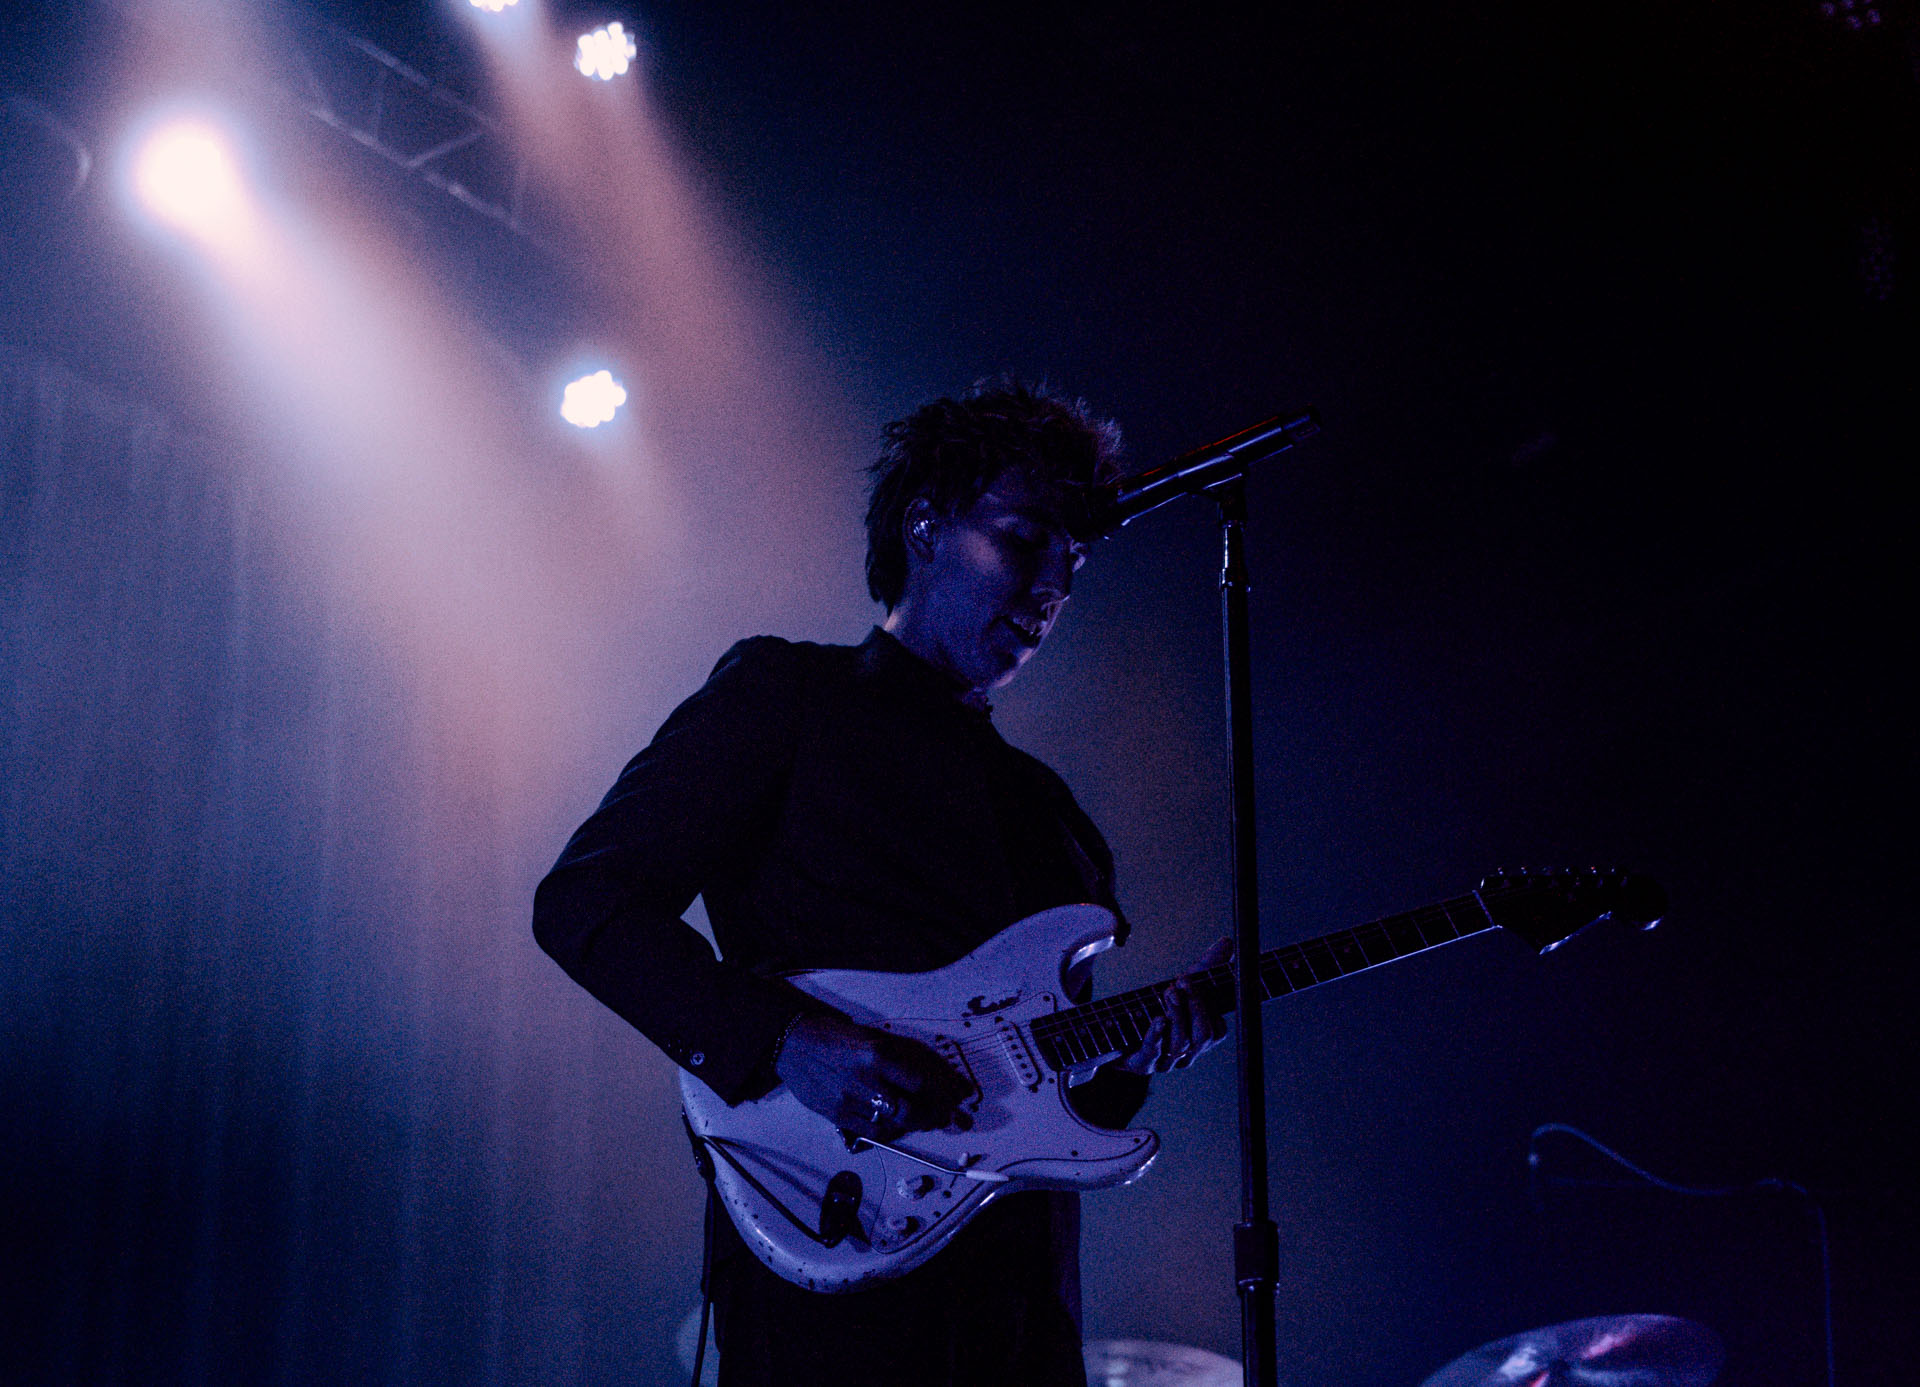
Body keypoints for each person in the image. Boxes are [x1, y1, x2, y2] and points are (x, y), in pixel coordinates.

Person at [532, 379, 1229, 1386]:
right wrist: (784, 1038)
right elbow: (584, 904)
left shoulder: (1056, 819)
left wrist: (1139, 1050)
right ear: (925, 526)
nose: (1050, 587)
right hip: (832, 1283)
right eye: (1024, 539)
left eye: (1073, 563)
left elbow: (1041, 1098)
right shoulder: (787, 697)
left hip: (1020, 1317)